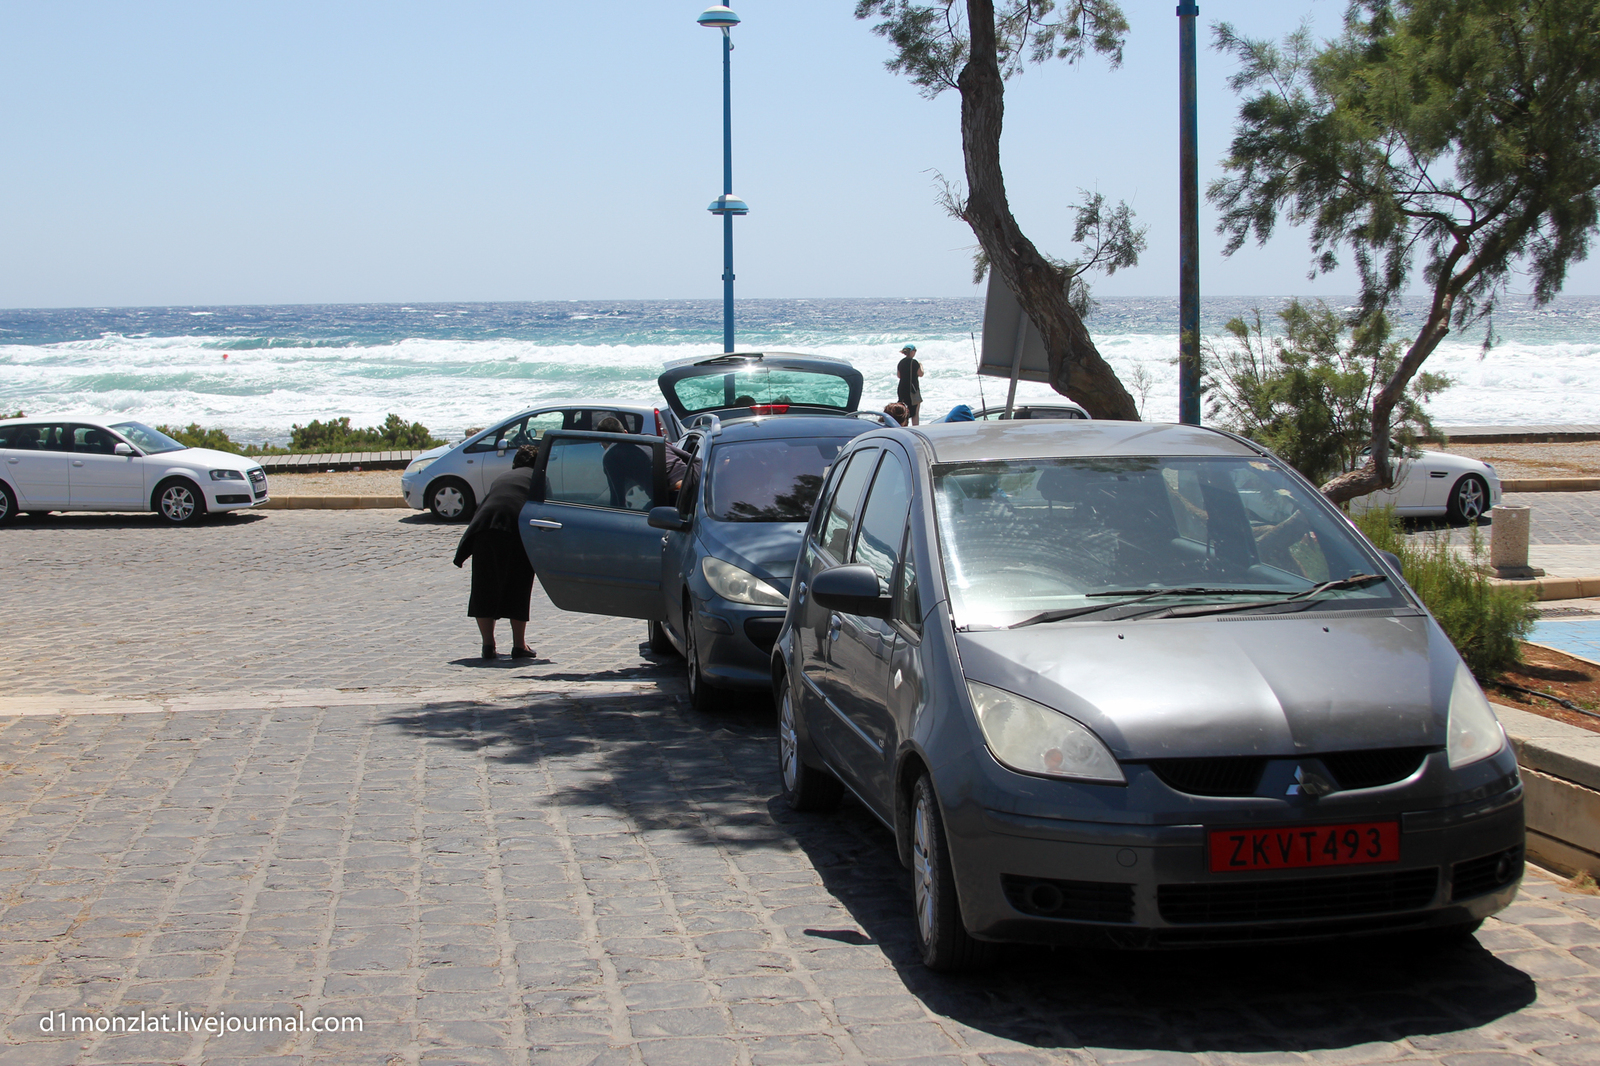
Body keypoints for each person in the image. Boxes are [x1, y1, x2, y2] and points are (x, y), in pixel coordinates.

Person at [453, 445, 538, 661]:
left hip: (484, 530)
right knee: (518, 586)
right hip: (514, 530)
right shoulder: (538, 478)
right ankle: (519, 645)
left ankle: (488, 645)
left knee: (484, 587)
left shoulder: (503, 477)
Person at [895, 343, 924, 425]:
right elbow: (921, 374)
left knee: (903, 412)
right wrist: (921, 365)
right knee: (915, 412)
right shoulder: (914, 362)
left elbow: (899, 375)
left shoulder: (901, 362)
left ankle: (903, 428)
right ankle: (915, 429)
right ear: (912, 352)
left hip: (902, 389)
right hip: (913, 389)